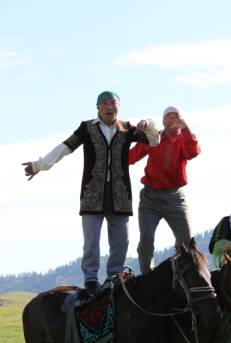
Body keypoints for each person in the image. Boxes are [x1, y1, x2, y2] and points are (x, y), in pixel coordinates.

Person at [22, 91, 154, 295]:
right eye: (105, 103)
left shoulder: (128, 128)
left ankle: (114, 278)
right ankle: (91, 281)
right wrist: (40, 165)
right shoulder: (87, 127)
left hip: (120, 195)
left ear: (119, 106)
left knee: (121, 241)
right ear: (97, 107)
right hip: (93, 194)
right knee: (91, 241)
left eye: (113, 103)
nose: (110, 106)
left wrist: (149, 123)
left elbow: (154, 141)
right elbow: (66, 147)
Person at [128, 106, 200, 273]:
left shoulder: (184, 139)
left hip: (174, 197)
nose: (173, 119)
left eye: (176, 117)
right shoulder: (154, 137)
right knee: (146, 241)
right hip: (150, 198)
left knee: (187, 242)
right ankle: (147, 276)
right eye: (169, 116)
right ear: (163, 120)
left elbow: (193, 152)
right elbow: (131, 157)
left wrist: (187, 128)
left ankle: (182, 276)